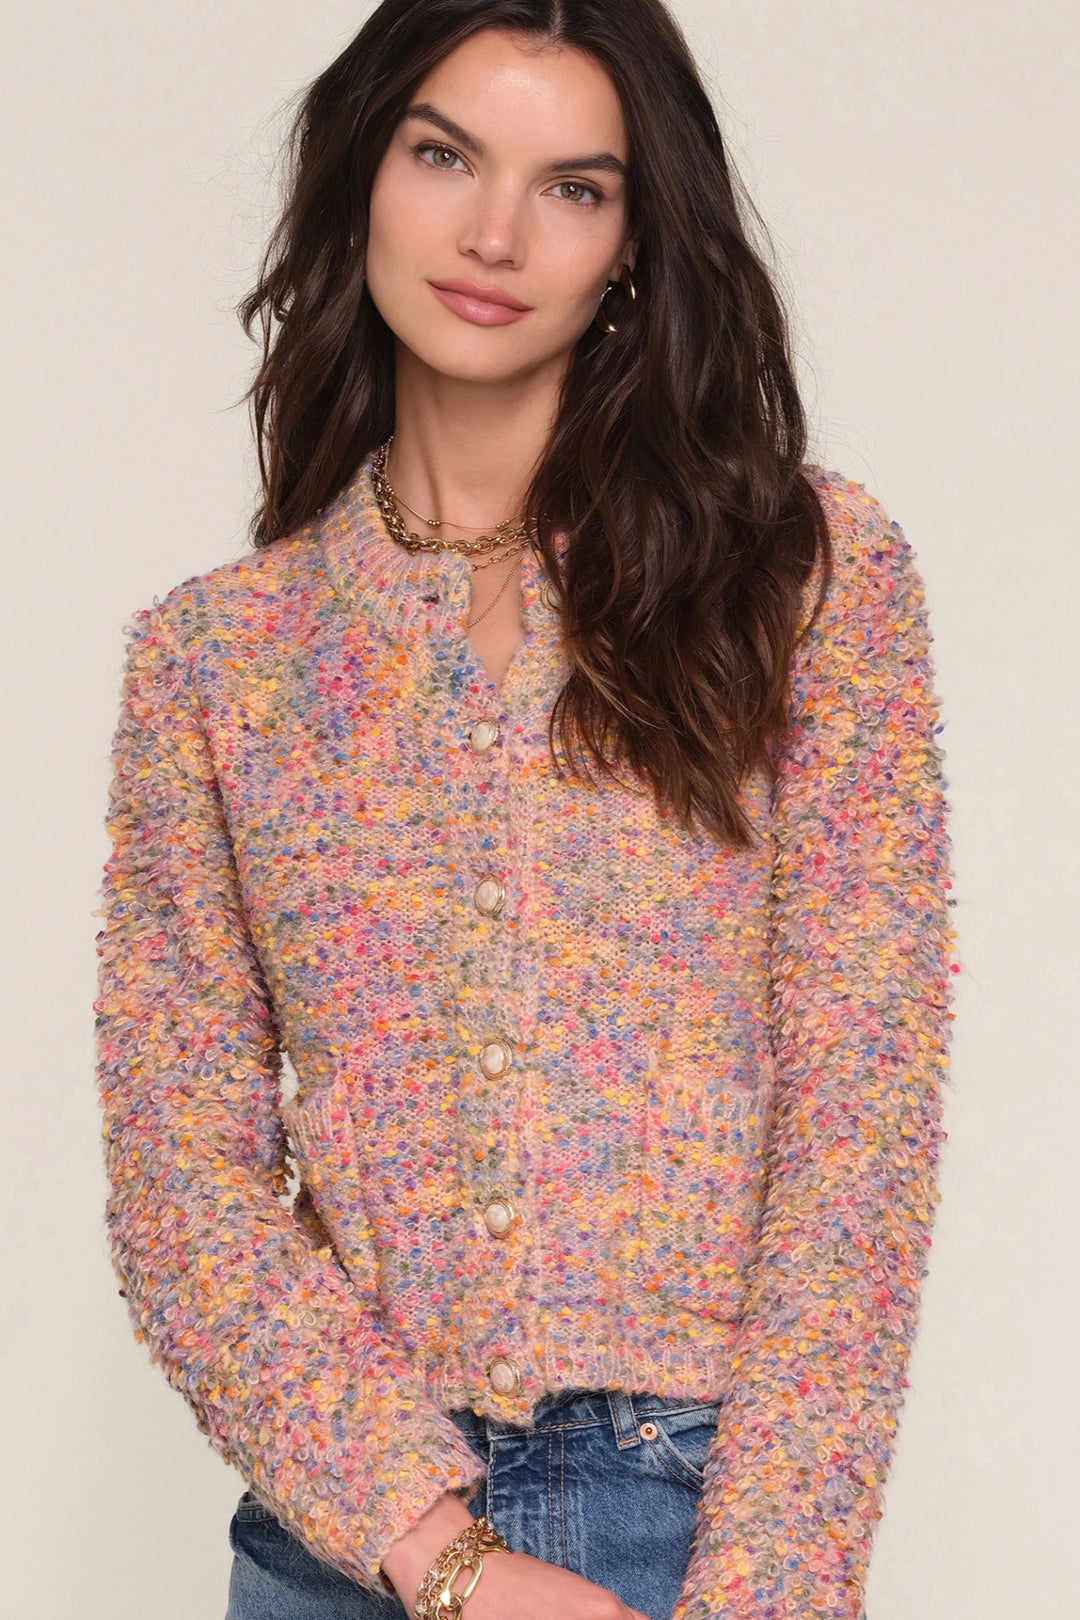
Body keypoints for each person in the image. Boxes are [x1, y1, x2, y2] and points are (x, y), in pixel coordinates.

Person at [92, 3, 956, 1618]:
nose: (495, 234)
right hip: (351, 1539)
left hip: (695, 1520)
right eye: (445, 156)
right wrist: (448, 1564)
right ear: (362, 174)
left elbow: (863, 1123)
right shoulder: (218, 662)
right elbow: (178, 1182)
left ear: (631, 245)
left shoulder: (801, 578)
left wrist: (769, 1588)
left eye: (573, 188)